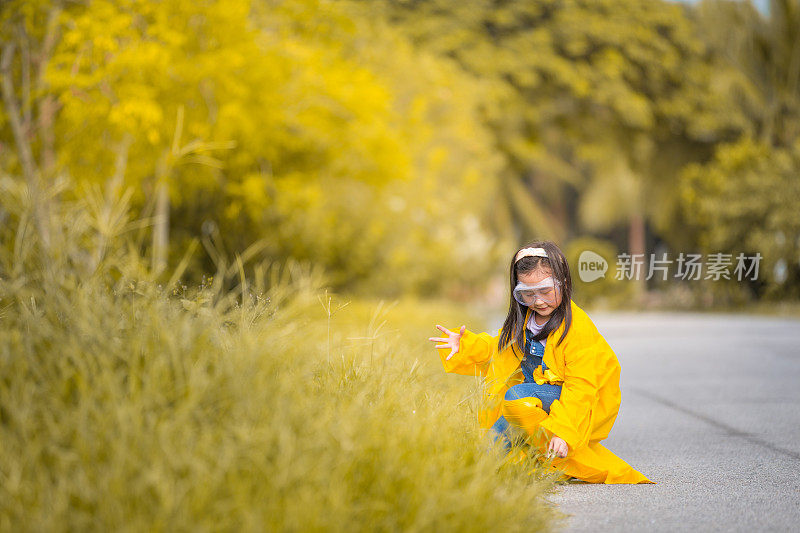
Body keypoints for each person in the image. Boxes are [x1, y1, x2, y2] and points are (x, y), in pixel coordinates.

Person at [428, 241, 653, 484]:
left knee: (516, 396)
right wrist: (464, 345)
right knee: (513, 408)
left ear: (564, 284)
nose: (537, 301)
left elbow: (582, 387)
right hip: (538, 393)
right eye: (527, 293)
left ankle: (505, 457)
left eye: (545, 291)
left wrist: (562, 432)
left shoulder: (577, 329)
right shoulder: (523, 322)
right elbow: (499, 351)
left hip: (571, 400)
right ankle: (484, 462)